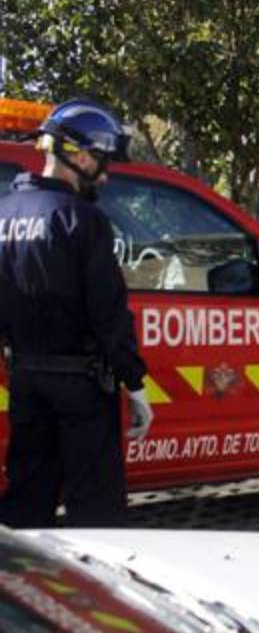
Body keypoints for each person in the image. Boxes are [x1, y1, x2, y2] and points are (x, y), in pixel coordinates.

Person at [0, 99, 153, 528]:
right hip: (83, 385)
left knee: (27, 499)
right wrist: (134, 381)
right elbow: (108, 312)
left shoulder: (4, 214)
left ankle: (21, 590)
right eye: (101, 162)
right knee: (95, 508)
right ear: (78, 155)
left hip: (26, 380)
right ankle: (93, 595)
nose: (104, 175)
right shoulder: (82, 220)